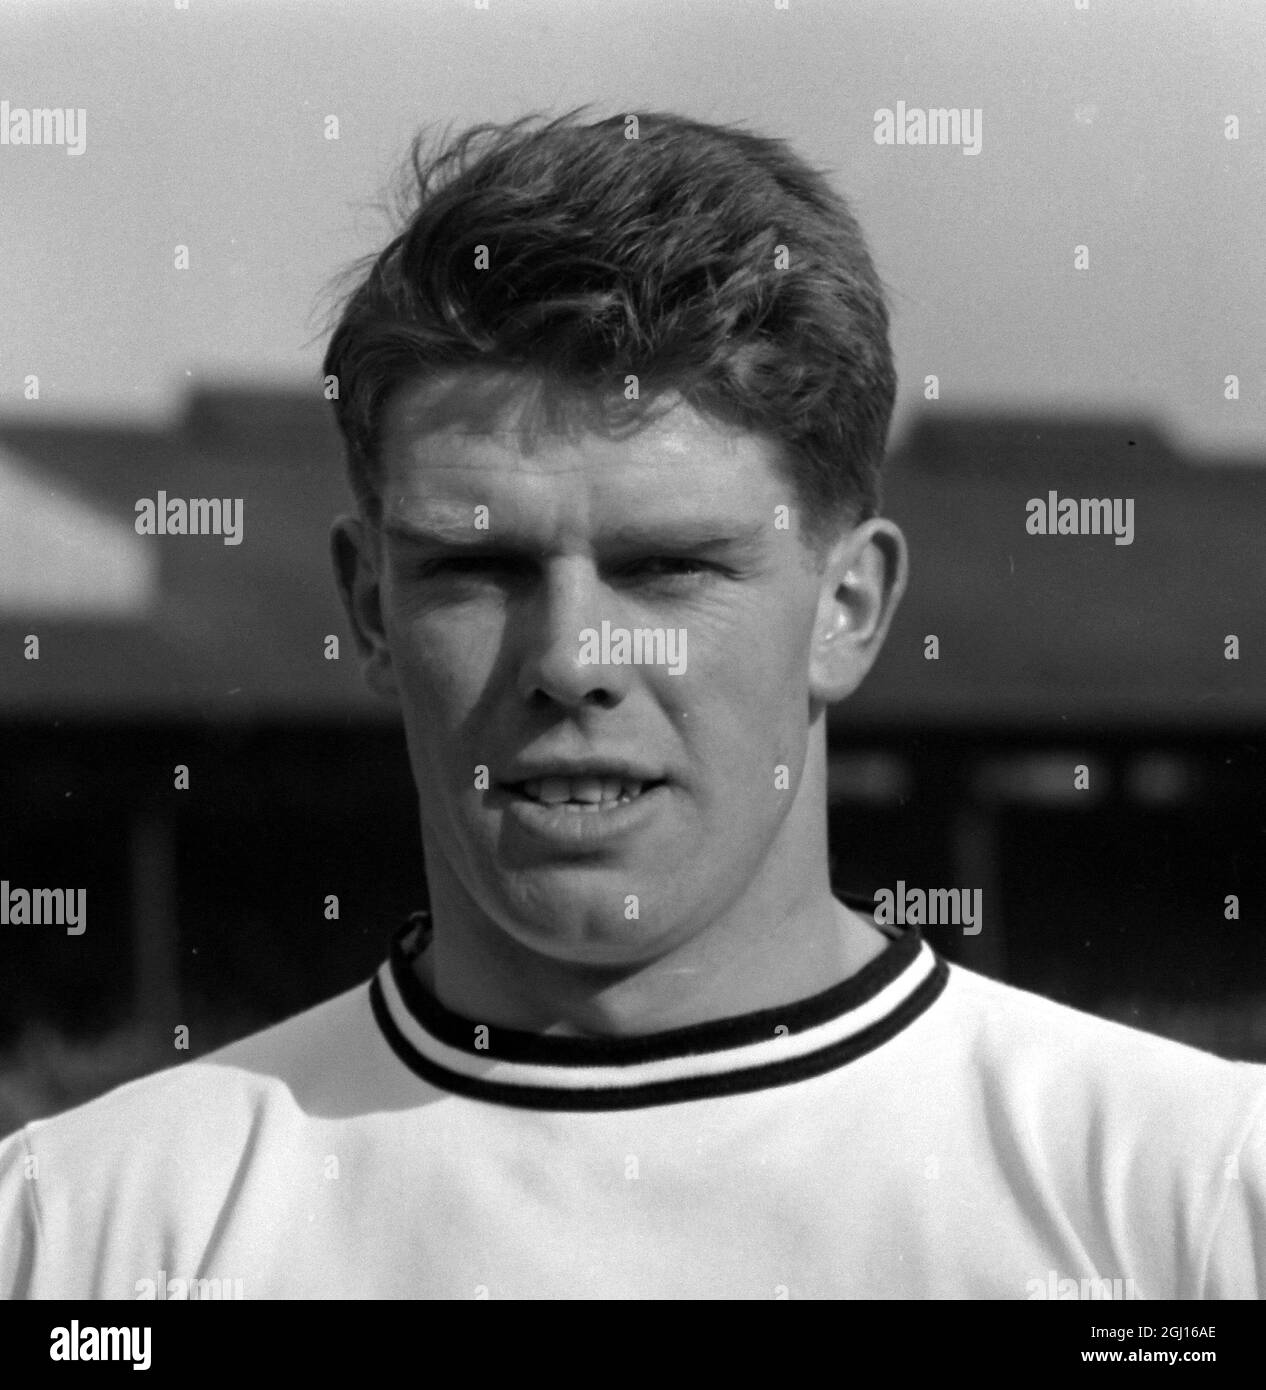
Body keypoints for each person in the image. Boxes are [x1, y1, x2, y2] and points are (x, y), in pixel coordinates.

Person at [1, 111, 1262, 1300]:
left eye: (668, 567)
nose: (571, 656)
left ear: (850, 607)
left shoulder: (1192, 1205)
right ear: (371, 605)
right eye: (476, 568)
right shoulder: (84, 1239)